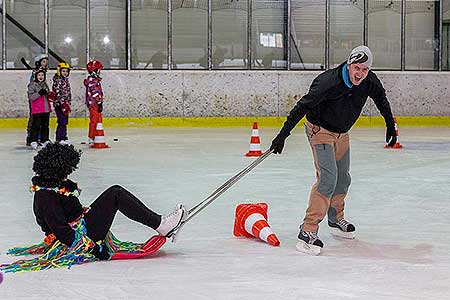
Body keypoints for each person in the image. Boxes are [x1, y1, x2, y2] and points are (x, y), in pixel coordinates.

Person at [270, 46, 397, 255]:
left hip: (342, 133)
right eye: (357, 68)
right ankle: (307, 230)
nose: (360, 74)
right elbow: (302, 106)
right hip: (319, 130)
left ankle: (335, 218)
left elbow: (381, 99)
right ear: (349, 64)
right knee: (328, 178)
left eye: (364, 70)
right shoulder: (328, 82)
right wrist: (283, 134)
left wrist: (390, 124)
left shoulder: (369, 81)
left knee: (343, 178)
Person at [0, 143, 188, 272]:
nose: (69, 173)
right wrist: (94, 250)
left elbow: (69, 212)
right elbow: (62, 231)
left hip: (82, 228)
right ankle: (161, 224)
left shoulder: (55, 185)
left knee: (115, 193)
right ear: (58, 169)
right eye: (67, 169)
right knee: (115, 193)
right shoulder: (46, 195)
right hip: (80, 239)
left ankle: (160, 223)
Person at [27, 69, 54, 150]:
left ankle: (44, 139)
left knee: (45, 125)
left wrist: (50, 95)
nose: (41, 77)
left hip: (46, 109)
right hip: (37, 109)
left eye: (42, 75)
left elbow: (48, 96)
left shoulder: (45, 84)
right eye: (39, 75)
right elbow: (31, 97)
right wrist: (39, 93)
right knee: (36, 125)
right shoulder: (32, 85)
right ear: (35, 76)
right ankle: (33, 140)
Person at [26, 54, 49, 146]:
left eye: (46, 62)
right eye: (43, 61)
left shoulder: (43, 72)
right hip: (35, 100)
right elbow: (33, 86)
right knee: (34, 119)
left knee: (42, 121)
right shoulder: (35, 72)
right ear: (38, 62)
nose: (45, 63)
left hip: (42, 102)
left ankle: (41, 137)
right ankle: (31, 137)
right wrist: (39, 92)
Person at [84, 59, 104, 146]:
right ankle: (91, 137)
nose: (100, 72)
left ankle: (95, 135)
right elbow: (94, 92)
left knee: (98, 119)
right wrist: (99, 102)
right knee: (94, 120)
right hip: (94, 104)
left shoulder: (95, 80)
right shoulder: (93, 80)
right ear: (94, 70)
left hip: (95, 103)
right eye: (99, 70)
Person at [52, 62, 72, 144]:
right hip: (59, 104)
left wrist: (68, 102)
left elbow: (68, 92)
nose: (65, 73)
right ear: (59, 71)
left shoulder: (66, 80)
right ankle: (59, 138)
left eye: (66, 71)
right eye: (63, 71)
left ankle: (64, 136)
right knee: (61, 121)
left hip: (65, 104)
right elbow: (57, 93)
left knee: (65, 121)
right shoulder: (58, 81)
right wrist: (62, 102)